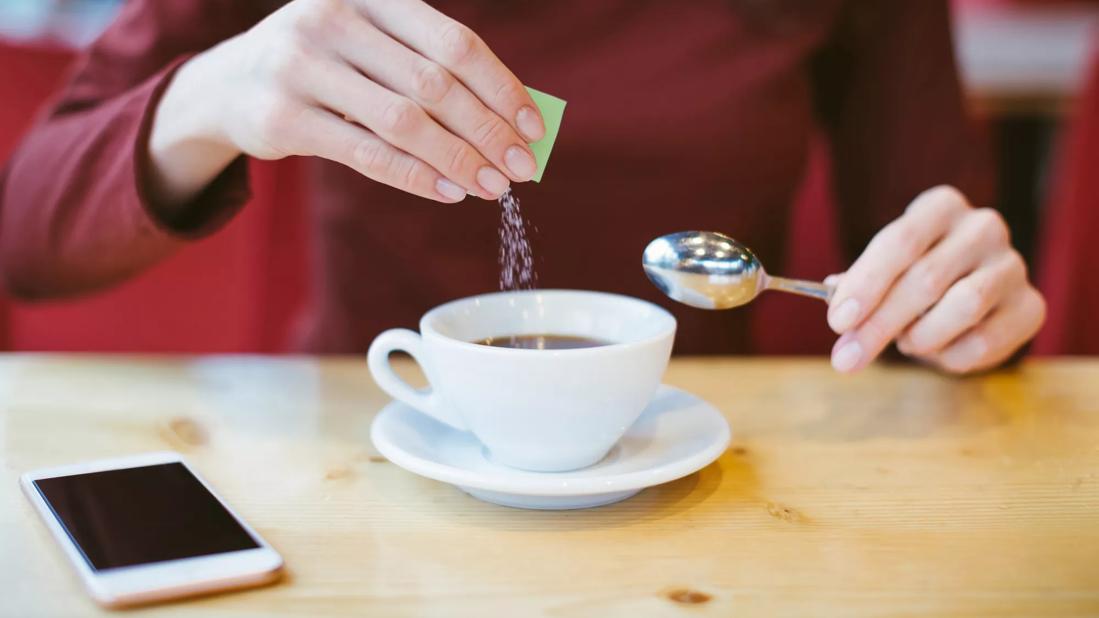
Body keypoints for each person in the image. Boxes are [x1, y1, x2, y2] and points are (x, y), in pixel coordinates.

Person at [0, 0, 1045, 374]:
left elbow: (925, 252)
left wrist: (958, 303)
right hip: (369, 449)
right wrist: (216, 93)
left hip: (702, 481)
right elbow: (26, 235)